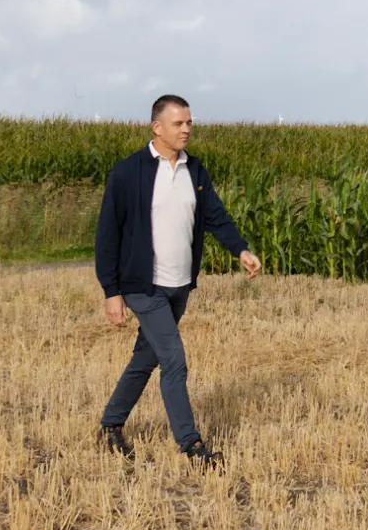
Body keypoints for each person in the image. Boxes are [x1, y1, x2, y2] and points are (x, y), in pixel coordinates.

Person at [94, 93, 263, 464]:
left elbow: (215, 216)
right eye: (178, 123)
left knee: (146, 357)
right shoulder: (128, 172)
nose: (186, 129)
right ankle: (192, 446)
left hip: (180, 285)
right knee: (174, 360)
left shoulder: (195, 170)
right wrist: (111, 292)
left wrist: (241, 250)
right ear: (157, 127)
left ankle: (110, 425)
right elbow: (108, 235)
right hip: (142, 285)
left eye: (189, 122)